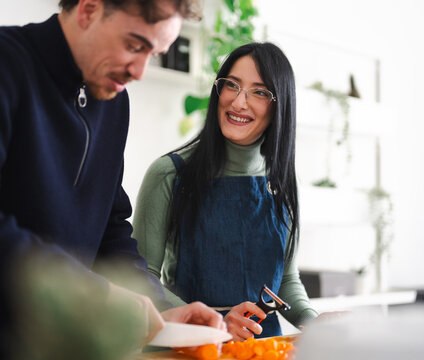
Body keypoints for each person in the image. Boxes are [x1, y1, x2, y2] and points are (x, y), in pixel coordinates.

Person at [0, 0, 225, 358]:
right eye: (134, 45)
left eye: (154, 53)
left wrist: (158, 311)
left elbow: (112, 227)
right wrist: (93, 291)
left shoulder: (114, 101)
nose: (141, 70)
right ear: (88, 10)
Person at [132, 42, 319, 341]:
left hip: (262, 346)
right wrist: (213, 326)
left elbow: (285, 281)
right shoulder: (168, 174)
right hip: (191, 345)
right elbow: (141, 279)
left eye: (259, 92)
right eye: (231, 85)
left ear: (279, 105)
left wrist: (314, 321)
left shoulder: (284, 182)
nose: (239, 102)